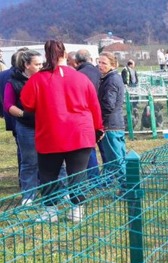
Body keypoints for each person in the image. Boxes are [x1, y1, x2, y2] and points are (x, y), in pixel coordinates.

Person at [20, 40, 103, 223]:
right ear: (65, 55)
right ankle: (77, 210)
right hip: (80, 133)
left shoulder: (38, 79)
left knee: (49, 175)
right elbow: (94, 106)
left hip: (51, 134)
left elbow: (27, 103)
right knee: (77, 174)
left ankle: (50, 211)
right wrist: (98, 128)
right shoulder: (81, 78)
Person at [3, 50, 43, 205]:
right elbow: (8, 105)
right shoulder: (13, 81)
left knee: (54, 159)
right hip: (26, 126)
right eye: (37, 64)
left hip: (46, 125)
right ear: (27, 65)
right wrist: (24, 114)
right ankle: (29, 195)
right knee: (29, 160)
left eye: (41, 64)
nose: (41, 67)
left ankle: (60, 190)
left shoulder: (43, 79)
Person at [96, 52, 127, 187]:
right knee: (119, 157)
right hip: (116, 124)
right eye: (99, 62)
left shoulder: (111, 80)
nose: (100, 65)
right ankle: (126, 184)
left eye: (104, 63)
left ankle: (126, 187)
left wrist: (101, 124)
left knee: (116, 159)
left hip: (111, 125)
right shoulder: (112, 78)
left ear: (112, 65)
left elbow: (108, 105)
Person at [73, 49, 102, 181]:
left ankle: (92, 178)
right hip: (93, 112)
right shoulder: (97, 71)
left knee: (86, 150)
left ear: (77, 61)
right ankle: (95, 177)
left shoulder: (80, 75)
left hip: (84, 114)